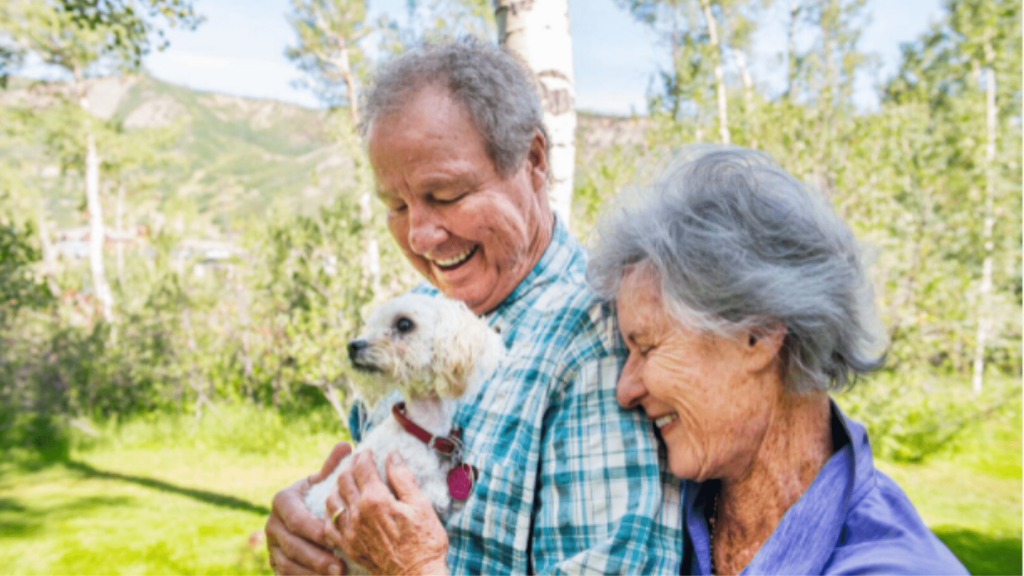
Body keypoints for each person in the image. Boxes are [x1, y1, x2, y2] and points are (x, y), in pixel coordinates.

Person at [265, 38, 683, 576]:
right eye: (396, 205)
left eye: (445, 195)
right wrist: (307, 536)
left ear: (532, 161)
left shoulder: (598, 338)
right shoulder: (418, 318)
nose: (418, 234)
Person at [586, 146, 968, 575]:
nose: (626, 389)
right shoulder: (660, 510)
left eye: (648, 347)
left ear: (758, 333)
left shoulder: (896, 567)